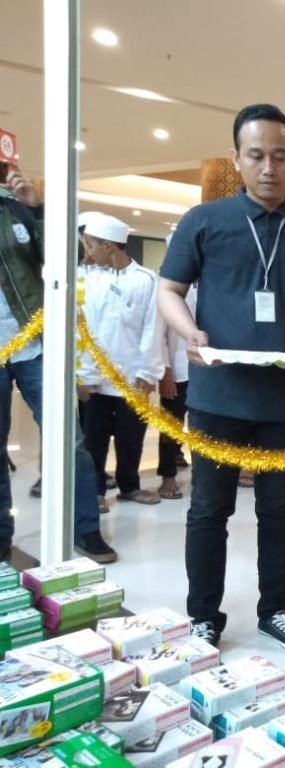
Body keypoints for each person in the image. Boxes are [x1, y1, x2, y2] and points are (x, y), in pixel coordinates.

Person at [157, 103, 285, 653]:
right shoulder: (204, 221)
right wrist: (190, 332)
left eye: (280, 156)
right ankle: (202, 617)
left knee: (278, 509)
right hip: (217, 394)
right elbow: (169, 290)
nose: (269, 168)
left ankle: (275, 611)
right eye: (257, 155)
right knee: (208, 509)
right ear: (237, 158)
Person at [0, 166, 117, 563]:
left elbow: (68, 258)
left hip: (34, 343)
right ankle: (1, 536)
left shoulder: (14, 209)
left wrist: (37, 210)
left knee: (70, 438)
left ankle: (85, 527)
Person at [78, 214, 164, 506]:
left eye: (91, 246)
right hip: (96, 377)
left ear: (108, 246)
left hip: (133, 377)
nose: (89, 253)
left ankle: (130, 486)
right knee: (94, 438)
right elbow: (82, 330)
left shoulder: (146, 280)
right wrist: (83, 375)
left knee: (131, 437)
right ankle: (95, 492)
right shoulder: (88, 279)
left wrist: (148, 372)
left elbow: (153, 328)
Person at [157, 281, 197, 500]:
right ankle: (168, 475)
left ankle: (203, 475)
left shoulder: (214, 285)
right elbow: (160, 335)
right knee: (171, 426)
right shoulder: (173, 289)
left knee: (204, 428)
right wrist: (166, 372)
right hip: (178, 369)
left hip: (208, 371)